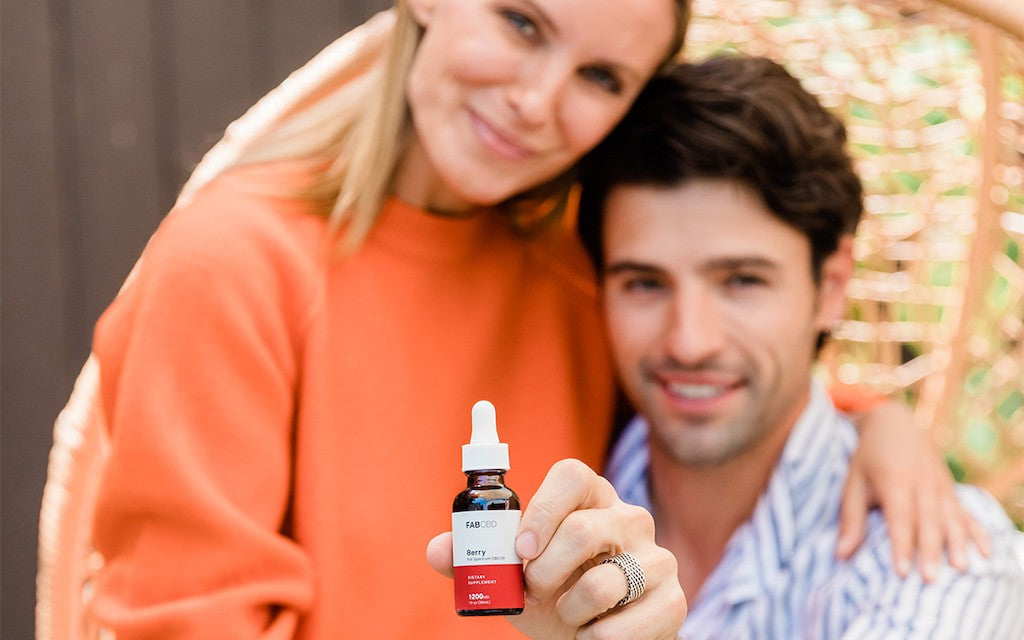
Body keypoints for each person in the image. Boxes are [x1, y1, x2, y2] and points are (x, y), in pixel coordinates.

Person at [80, 0, 980, 636]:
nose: (539, 101)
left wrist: (874, 426)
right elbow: (183, 621)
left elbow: (712, 377)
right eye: (521, 22)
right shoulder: (235, 264)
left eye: (599, 74)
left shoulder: (576, 267)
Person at [574, 54, 1024, 638]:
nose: (689, 342)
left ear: (831, 286)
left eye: (742, 281)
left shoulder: (946, 559)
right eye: (645, 283)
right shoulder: (563, 478)